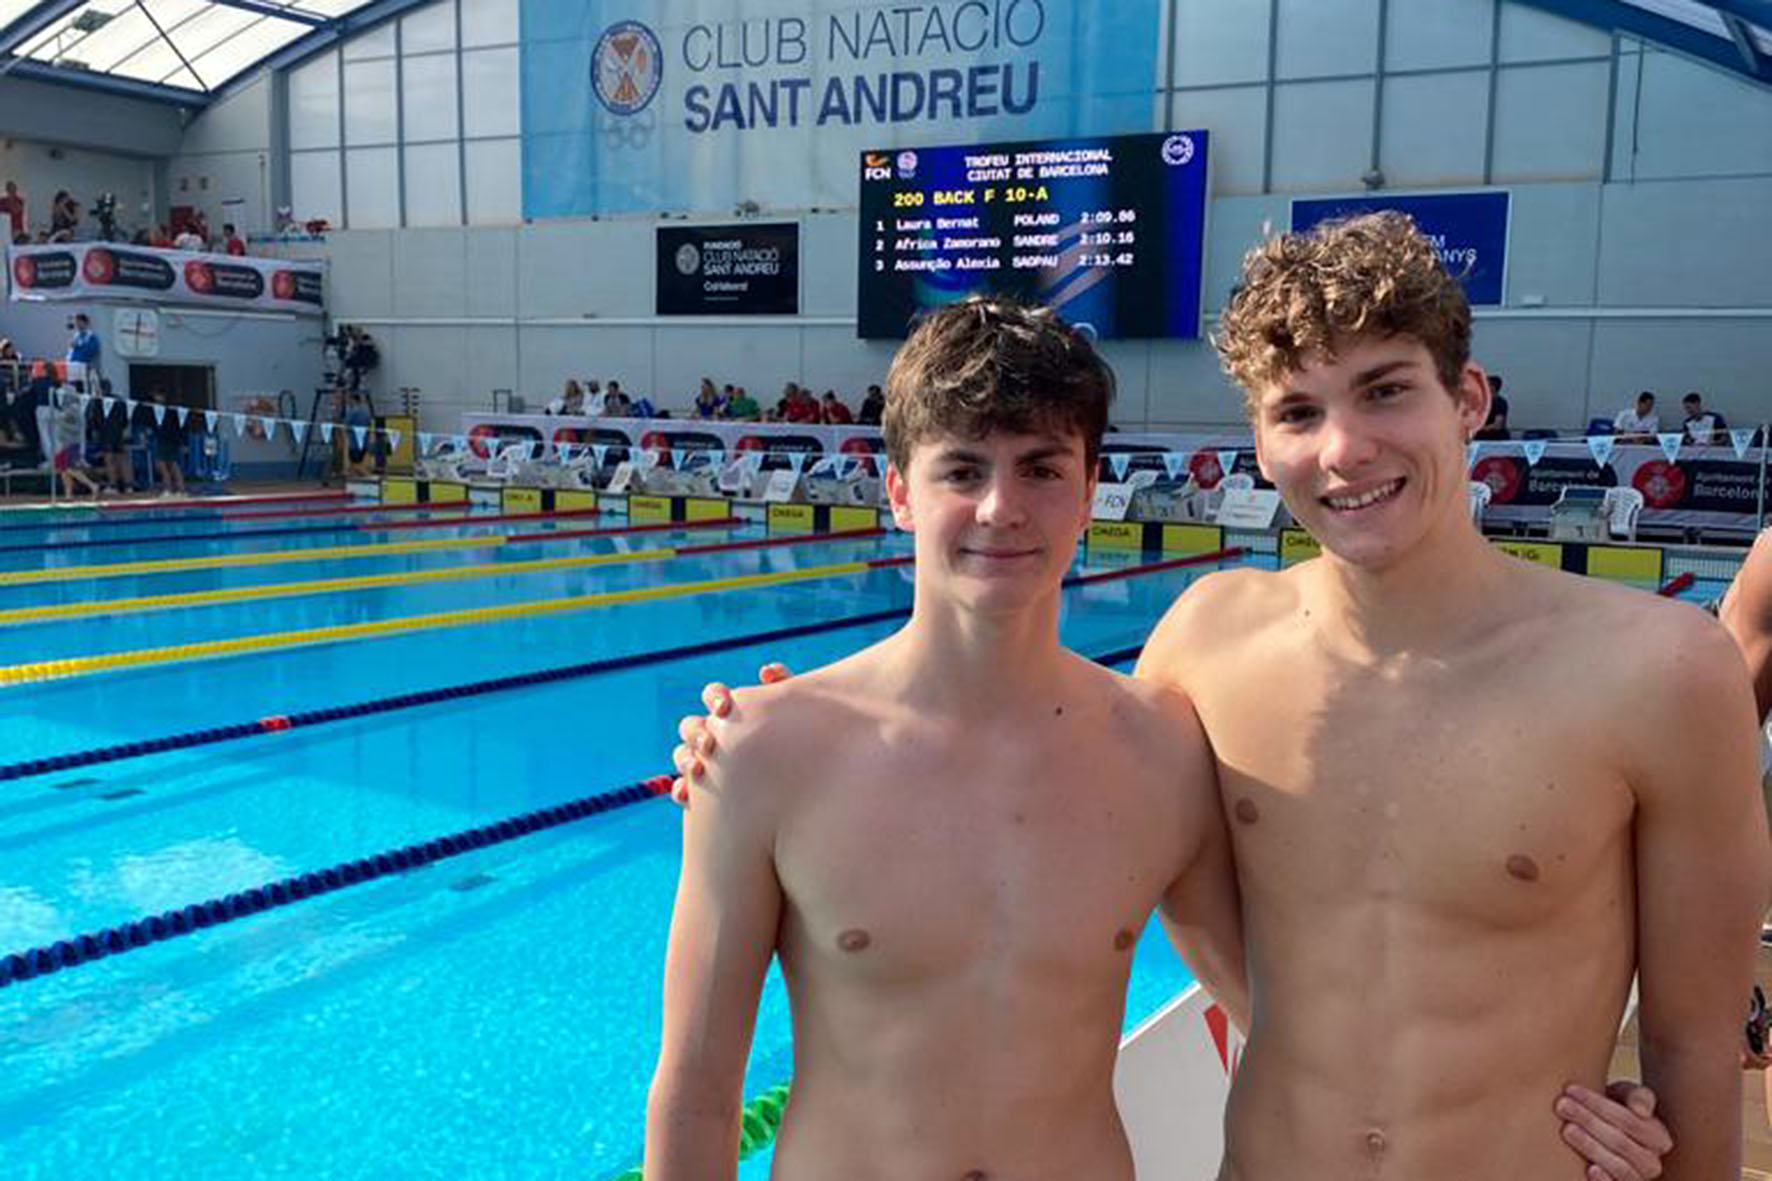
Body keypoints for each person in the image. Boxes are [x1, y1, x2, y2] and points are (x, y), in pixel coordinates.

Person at [679, 216, 1755, 1178]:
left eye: (1384, 388)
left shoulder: (1655, 669)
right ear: (1258, 440)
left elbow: (1697, 1043)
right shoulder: (1206, 646)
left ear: (1465, 397)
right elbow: (1028, 784)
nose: (1343, 447)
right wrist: (768, 740)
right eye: (1297, 409)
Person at [147, 390, 186, 496]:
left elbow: (155, 425)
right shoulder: (170, 410)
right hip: (171, 439)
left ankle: (169, 489)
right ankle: (180, 489)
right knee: (172, 464)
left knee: (163, 464)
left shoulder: (162, 410)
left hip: (165, 439)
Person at [65, 313, 100, 391]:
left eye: (79, 322)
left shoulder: (91, 336)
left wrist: (79, 346)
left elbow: (92, 350)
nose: (78, 325)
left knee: (82, 388)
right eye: (77, 323)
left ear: (85, 323)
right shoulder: (76, 336)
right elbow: (71, 350)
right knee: (72, 388)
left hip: (83, 367)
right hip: (72, 366)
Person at [344, 392, 374, 476]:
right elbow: (369, 424)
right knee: (355, 465)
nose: (348, 402)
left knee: (355, 465)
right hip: (364, 443)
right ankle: (357, 480)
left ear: (353, 400)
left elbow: (345, 425)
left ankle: (368, 477)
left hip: (354, 443)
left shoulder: (352, 412)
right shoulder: (366, 412)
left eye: (349, 400)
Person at [1474, 373, 1510, 439]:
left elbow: (1497, 425)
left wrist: (1480, 428)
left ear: (1492, 387)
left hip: (1496, 440)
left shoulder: (1500, 402)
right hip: (1481, 438)